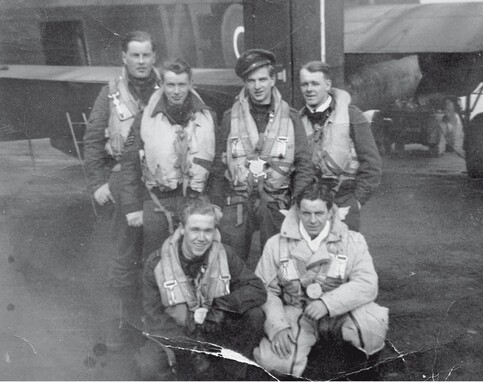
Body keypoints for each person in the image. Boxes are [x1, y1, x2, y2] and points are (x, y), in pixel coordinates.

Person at [253, 181, 388, 379]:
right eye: (306, 213)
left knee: (370, 325)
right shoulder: (277, 244)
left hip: (342, 311)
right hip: (299, 313)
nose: (313, 220)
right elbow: (264, 289)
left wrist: (327, 303)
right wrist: (278, 326)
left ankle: (363, 371)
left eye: (319, 213)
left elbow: (367, 284)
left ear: (331, 213)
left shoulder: (352, 240)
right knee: (275, 362)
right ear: (297, 211)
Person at [83, 30, 160, 349]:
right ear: (124, 58)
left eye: (146, 55)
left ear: (154, 57)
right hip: (120, 177)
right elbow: (92, 139)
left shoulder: (168, 87)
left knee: (156, 252)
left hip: (156, 183)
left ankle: (155, 319)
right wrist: (97, 183)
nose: (141, 62)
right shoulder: (111, 92)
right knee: (124, 255)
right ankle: (124, 320)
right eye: (135, 55)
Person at [136, 198, 267, 380]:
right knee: (148, 362)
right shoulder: (157, 263)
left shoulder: (224, 254)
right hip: (179, 335)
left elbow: (256, 288)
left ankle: (229, 376)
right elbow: (154, 320)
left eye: (208, 231)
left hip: (214, 331)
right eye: (195, 230)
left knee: (254, 315)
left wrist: (219, 307)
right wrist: (192, 342)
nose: (201, 238)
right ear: (182, 229)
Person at [211, 49, 313, 270]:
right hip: (239, 200)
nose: (257, 86)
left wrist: (296, 202)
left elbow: (304, 163)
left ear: (273, 79)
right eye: (251, 81)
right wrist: (217, 203)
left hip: (277, 199)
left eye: (262, 79)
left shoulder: (292, 117)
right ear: (245, 83)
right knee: (230, 261)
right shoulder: (230, 118)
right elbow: (218, 165)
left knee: (278, 262)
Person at [121, 57, 217, 258]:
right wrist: (132, 207)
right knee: (156, 259)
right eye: (170, 85)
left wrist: (216, 203)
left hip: (195, 199)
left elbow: (217, 165)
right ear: (162, 84)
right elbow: (129, 162)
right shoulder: (145, 118)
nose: (176, 91)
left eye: (182, 85)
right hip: (158, 200)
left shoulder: (208, 116)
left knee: (199, 258)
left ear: (191, 84)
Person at [299, 61, 382, 231]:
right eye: (305, 84)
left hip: (343, 202)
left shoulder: (352, 115)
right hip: (309, 209)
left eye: (315, 83)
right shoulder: (297, 119)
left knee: (342, 254)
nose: (309, 89)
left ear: (328, 85)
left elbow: (372, 163)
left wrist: (357, 201)